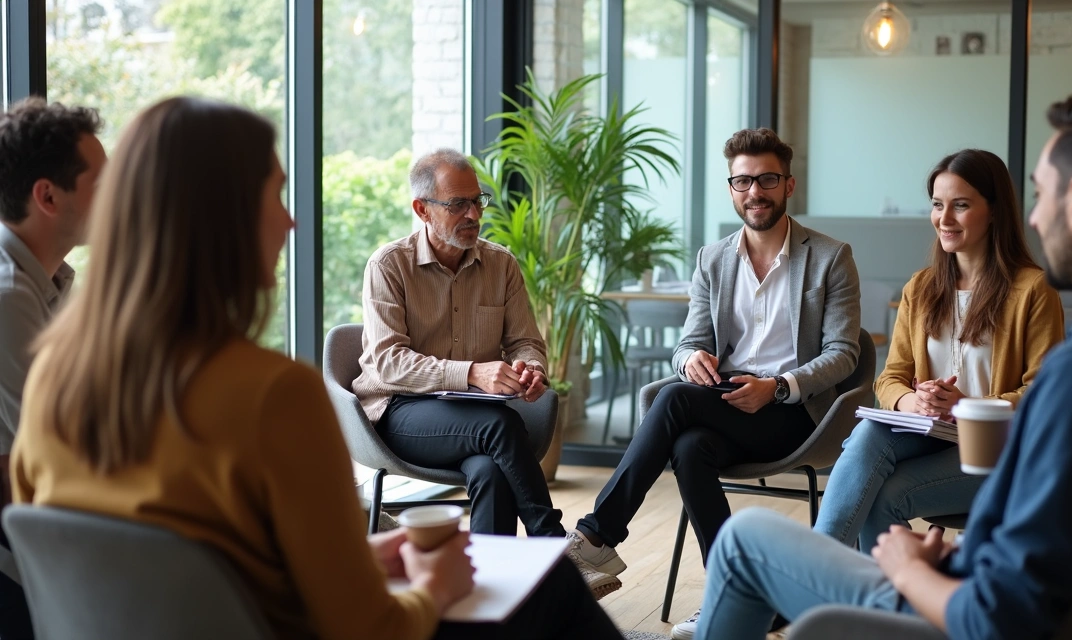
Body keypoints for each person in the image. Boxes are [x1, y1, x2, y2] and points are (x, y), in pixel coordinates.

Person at [9, 96, 623, 640]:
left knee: (502, 510)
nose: (290, 221)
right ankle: (558, 553)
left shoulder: (54, 376)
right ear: (221, 220)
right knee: (551, 590)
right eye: (274, 196)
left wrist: (369, 560)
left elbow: (196, 565)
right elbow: (369, 627)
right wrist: (433, 588)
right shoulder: (275, 396)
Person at [691, 83, 1072, 639]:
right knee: (865, 449)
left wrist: (912, 572)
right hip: (997, 591)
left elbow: (999, 612)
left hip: (966, 619)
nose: (1036, 218)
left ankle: (819, 593)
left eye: (1042, 195)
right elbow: (1044, 550)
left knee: (745, 540)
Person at [566, 127, 862, 639]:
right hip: (724, 402)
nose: (755, 191)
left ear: (789, 185)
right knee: (689, 446)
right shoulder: (713, 259)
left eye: (767, 179)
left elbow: (844, 354)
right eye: (742, 181)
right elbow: (688, 343)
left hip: (795, 413)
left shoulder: (830, 256)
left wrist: (779, 386)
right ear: (731, 188)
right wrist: (691, 362)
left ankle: (597, 536)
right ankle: (737, 596)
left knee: (675, 403)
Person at [348, 148, 618, 592]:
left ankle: (492, 593)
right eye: (458, 204)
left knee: (489, 470)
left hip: (472, 417)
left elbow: (526, 342)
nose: (474, 214)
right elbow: (388, 362)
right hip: (398, 411)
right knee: (498, 425)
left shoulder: (501, 263)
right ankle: (555, 553)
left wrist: (530, 369)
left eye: (478, 201)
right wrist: (472, 372)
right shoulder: (389, 265)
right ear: (422, 209)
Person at [814, 149, 1064, 552]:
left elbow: (1046, 394)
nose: (944, 219)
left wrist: (966, 406)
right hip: (931, 436)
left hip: (999, 453)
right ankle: (822, 565)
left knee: (884, 494)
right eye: (937, 205)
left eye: (960, 205)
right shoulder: (921, 287)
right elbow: (890, 377)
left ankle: (841, 580)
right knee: (869, 434)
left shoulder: (1033, 290)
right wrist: (913, 401)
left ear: (994, 210)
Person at [0, 97, 105, 640]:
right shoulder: (8, 296)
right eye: (102, 182)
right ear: (47, 196)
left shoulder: (52, 281)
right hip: (19, 557)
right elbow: (60, 442)